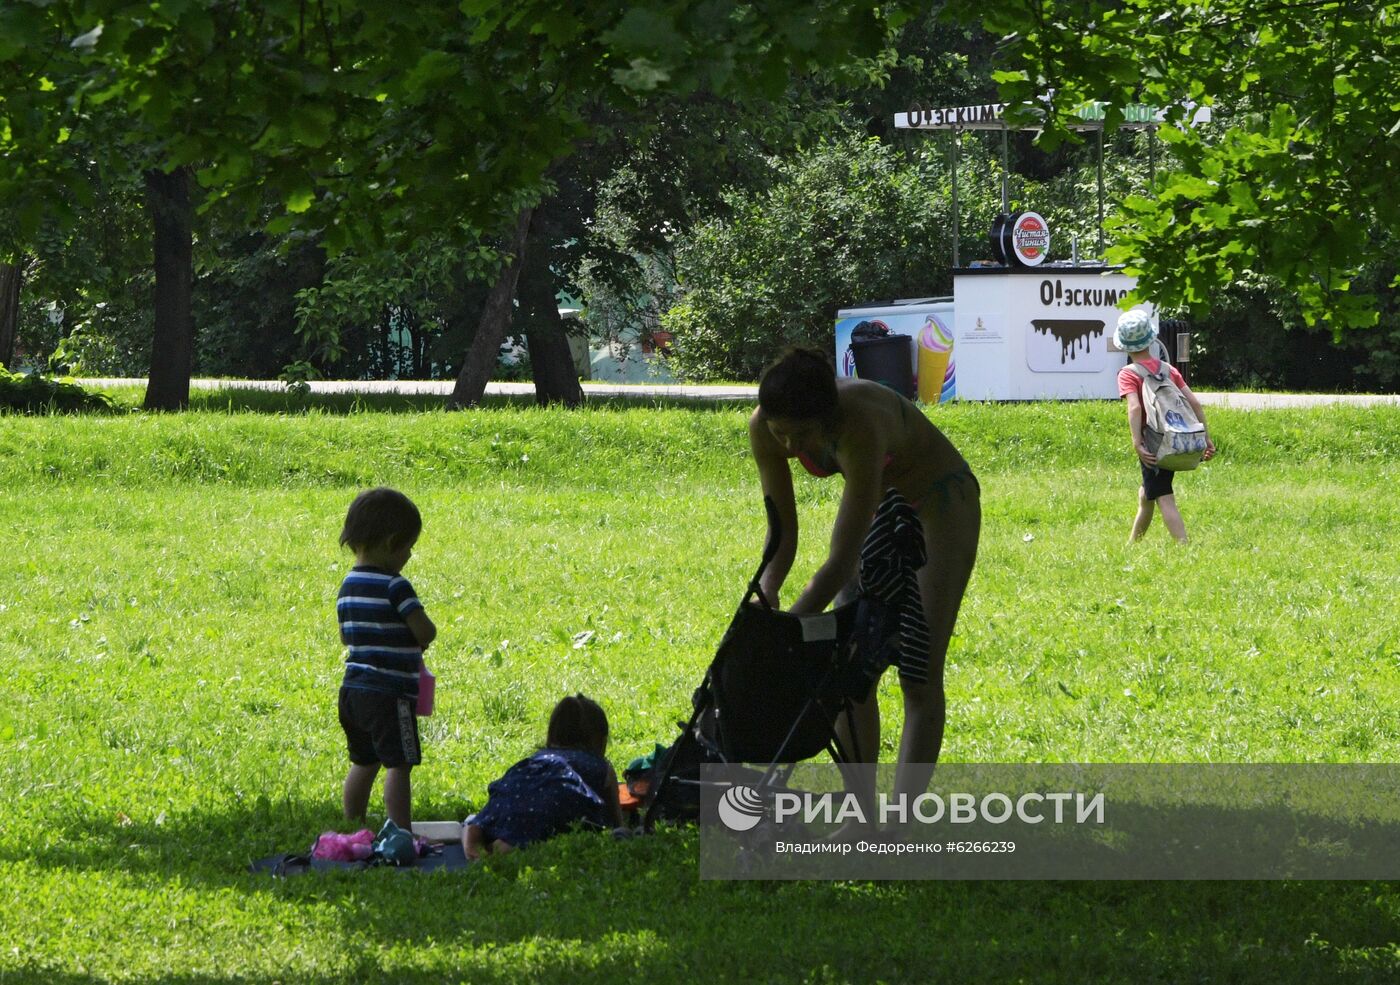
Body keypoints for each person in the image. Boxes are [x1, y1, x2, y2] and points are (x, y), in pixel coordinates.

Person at [749, 347, 980, 804]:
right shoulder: (764, 427)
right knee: (849, 671)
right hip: (883, 507)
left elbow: (842, 558)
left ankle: (901, 820)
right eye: (781, 434)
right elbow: (783, 534)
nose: (791, 447)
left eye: (800, 435)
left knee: (919, 668)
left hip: (940, 502)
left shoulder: (860, 423)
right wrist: (768, 590)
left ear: (825, 418)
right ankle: (860, 813)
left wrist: (790, 631)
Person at [336, 487, 437, 830]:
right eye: (409, 546)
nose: (409, 554)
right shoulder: (396, 585)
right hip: (390, 693)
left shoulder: (348, 584)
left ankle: (355, 823)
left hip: (352, 690)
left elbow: (346, 635)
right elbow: (424, 631)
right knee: (399, 763)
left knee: (363, 761)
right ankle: (401, 829)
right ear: (392, 542)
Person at [463, 694, 625, 859]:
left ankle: (478, 846)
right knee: (544, 830)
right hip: (559, 802)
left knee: (482, 822)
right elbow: (615, 822)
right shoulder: (601, 766)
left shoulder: (536, 759)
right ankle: (502, 849)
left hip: (516, 790)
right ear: (601, 740)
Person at [1115, 310, 1216, 545]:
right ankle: (1131, 545)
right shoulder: (1168, 370)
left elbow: (1134, 408)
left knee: (1163, 496)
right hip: (1173, 437)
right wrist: (1205, 438)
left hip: (1153, 443)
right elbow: (1194, 403)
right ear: (1151, 339)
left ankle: (1184, 545)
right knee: (1147, 494)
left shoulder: (1128, 374)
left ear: (1124, 345)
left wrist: (1137, 442)